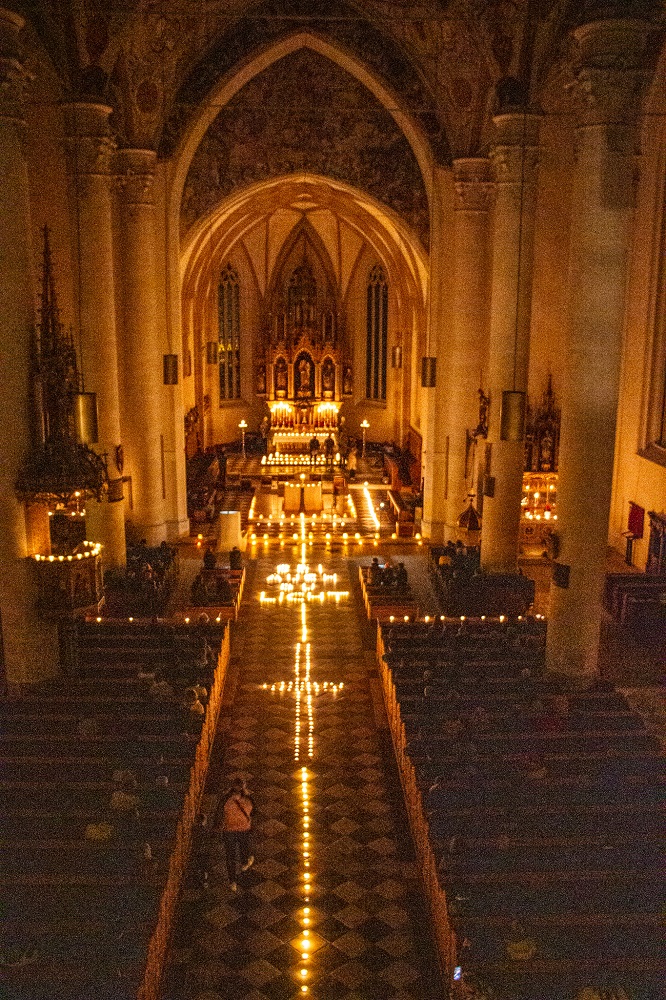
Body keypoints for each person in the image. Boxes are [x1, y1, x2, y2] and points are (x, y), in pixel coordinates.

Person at [214, 777, 255, 892]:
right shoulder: (248, 799)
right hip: (243, 829)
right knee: (243, 850)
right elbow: (254, 811)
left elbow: (218, 813)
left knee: (230, 857)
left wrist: (217, 827)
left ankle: (232, 881)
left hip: (229, 831)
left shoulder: (225, 799)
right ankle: (245, 865)